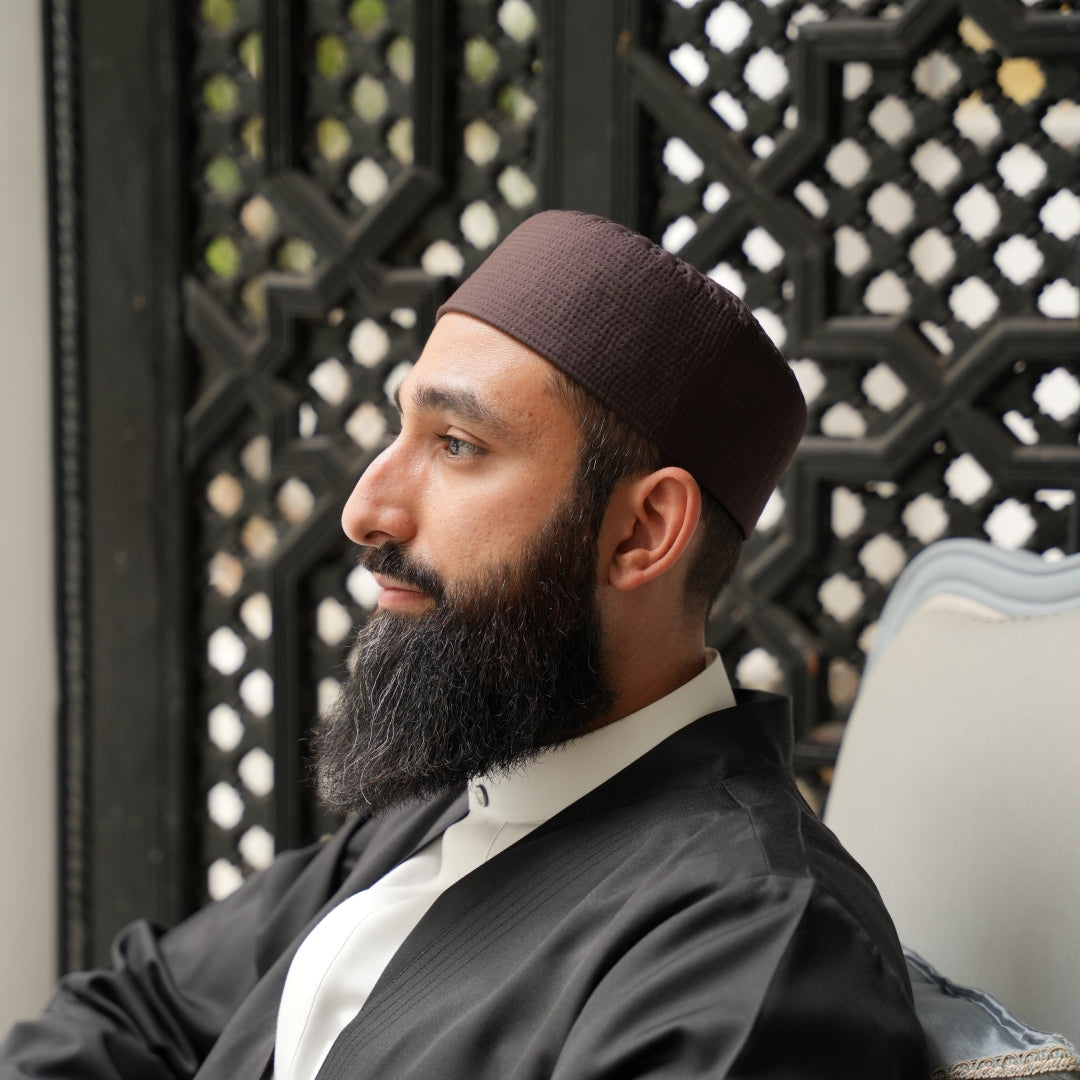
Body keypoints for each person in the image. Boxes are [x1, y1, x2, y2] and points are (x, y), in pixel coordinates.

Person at [1, 211, 928, 1078]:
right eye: (401, 430)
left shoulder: (756, 937)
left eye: (455, 445)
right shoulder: (445, 809)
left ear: (644, 531)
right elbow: (135, 1009)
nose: (364, 511)